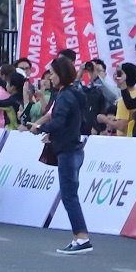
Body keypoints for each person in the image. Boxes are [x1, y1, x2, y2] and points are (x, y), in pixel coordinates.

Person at [29, 56, 97, 254]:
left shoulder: (65, 96)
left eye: (52, 73)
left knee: (69, 196)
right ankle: (77, 238)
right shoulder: (74, 93)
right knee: (69, 195)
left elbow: (58, 121)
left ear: (61, 74)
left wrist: (40, 128)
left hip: (67, 151)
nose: (50, 77)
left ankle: (82, 237)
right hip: (74, 148)